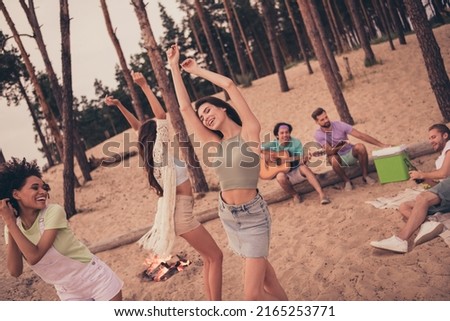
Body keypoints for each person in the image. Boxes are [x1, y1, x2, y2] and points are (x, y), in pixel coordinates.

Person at [167, 44, 288, 301]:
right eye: (203, 117)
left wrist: (198, 70)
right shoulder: (214, 144)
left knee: (252, 297)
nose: (205, 117)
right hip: (228, 217)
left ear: (222, 108)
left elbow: (231, 86)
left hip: (254, 217)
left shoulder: (249, 131)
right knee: (267, 278)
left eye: (208, 110)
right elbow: (185, 109)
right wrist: (173, 68)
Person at [104, 71, 223, 300]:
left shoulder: (155, 158)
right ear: (157, 137)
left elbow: (138, 128)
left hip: (180, 214)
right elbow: (160, 115)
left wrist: (119, 105)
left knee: (210, 258)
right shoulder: (162, 155)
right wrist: (145, 86)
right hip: (183, 217)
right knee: (216, 256)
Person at [0, 158, 123, 301]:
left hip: (95, 278)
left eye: (44, 187)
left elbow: (34, 256)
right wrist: (11, 224)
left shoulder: (53, 212)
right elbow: (15, 271)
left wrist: (10, 222)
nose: (43, 192)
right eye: (35, 187)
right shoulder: (12, 227)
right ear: (16, 195)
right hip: (68, 292)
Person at [370, 124, 450, 253]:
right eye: (429, 138)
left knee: (422, 197)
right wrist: (424, 180)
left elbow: (444, 173)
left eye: (434, 137)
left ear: (445, 135)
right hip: (447, 196)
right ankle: (427, 225)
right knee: (405, 206)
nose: (431, 141)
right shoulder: (440, 159)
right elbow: (438, 188)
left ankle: (401, 239)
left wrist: (423, 174)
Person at [311, 107, 390, 191]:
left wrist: (381, 145)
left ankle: (365, 176)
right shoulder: (318, 134)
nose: (326, 120)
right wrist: (340, 145)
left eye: (326, 117)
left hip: (350, 153)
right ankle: (347, 181)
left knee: (360, 147)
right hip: (338, 159)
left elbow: (360, 135)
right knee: (333, 159)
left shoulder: (339, 125)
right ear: (317, 122)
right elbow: (330, 151)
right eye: (322, 120)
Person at [261, 122, 331, 204]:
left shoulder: (296, 143)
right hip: (286, 176)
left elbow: (301, 161)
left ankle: (322, 194)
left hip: (296, 171)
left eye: (287, 132)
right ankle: (295, 195)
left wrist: (305, 159)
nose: (285, 135)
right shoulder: (272, 144)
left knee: (304, 168)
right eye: (282, 133)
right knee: (280, 176)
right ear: (277, 135)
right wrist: (266, 156)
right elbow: (256, 149)